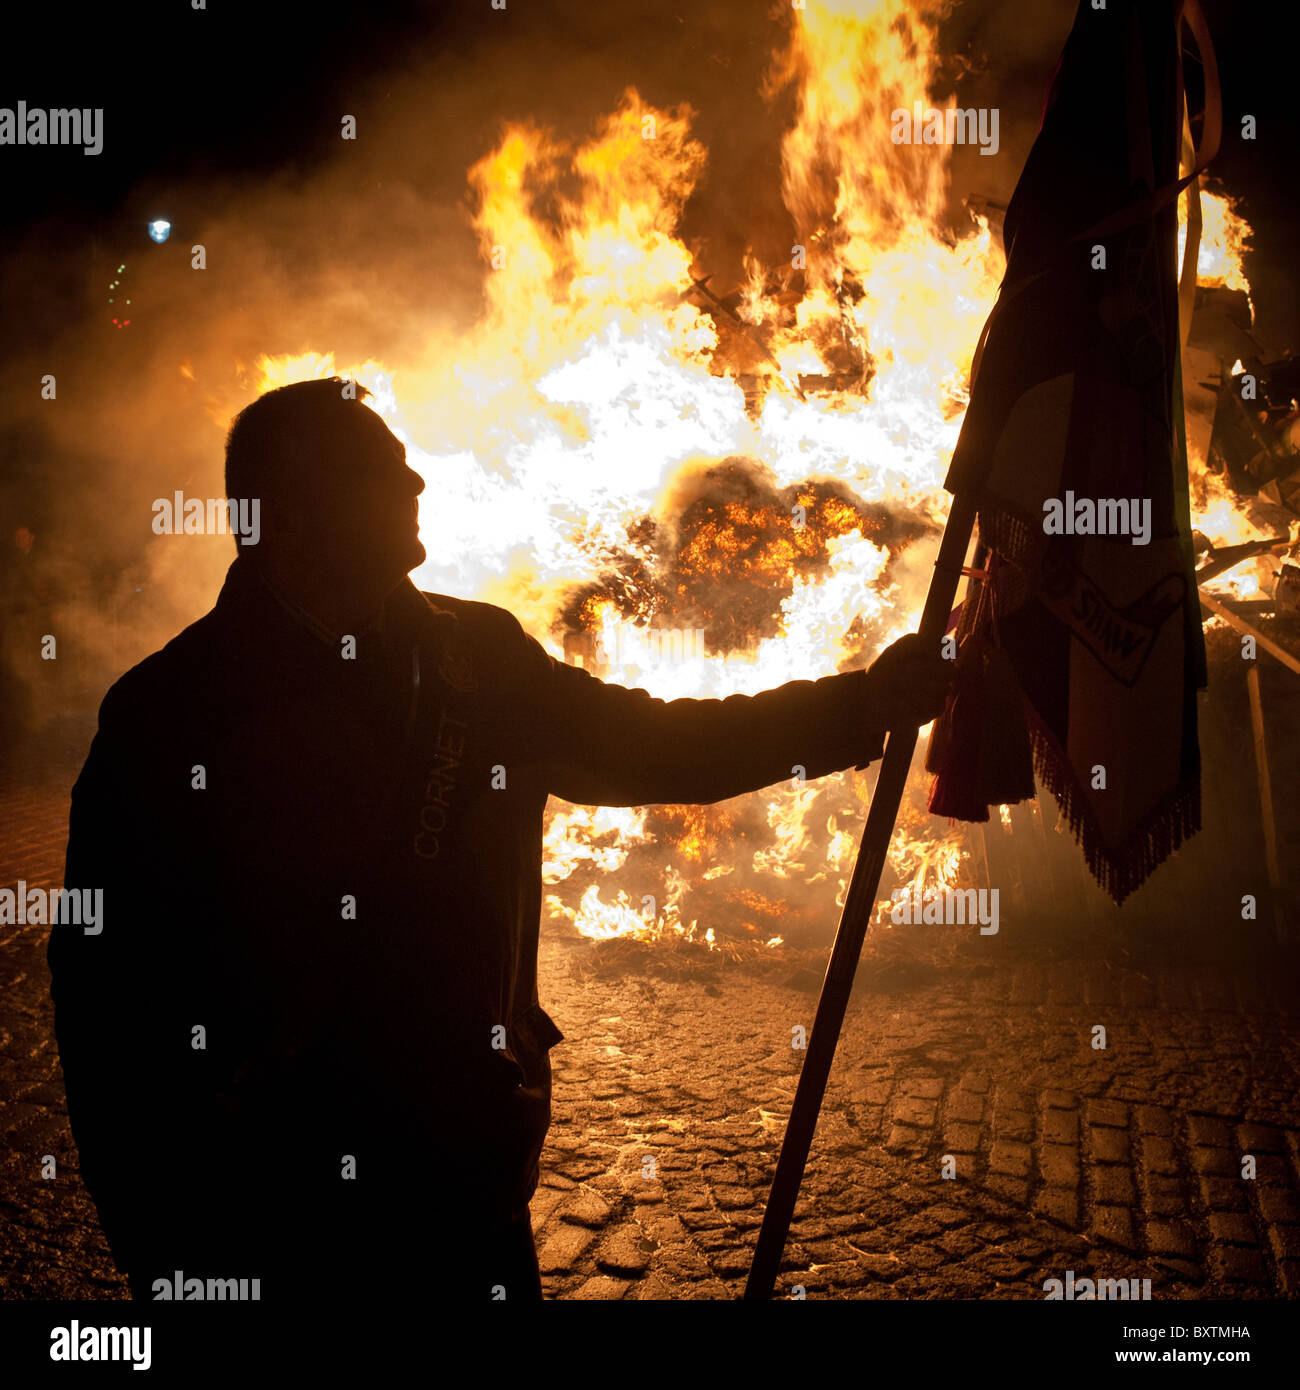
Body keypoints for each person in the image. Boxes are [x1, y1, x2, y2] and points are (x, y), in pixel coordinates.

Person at [48, 377, 951, 1302]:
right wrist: (156, 1242)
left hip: (465, 1179)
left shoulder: (475, 655)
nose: (416, 485)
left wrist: (859, 705)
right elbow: (108, 995)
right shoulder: (170, 715)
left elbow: (653, 747)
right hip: (277, 1213)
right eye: (380, 470)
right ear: (296, 517)